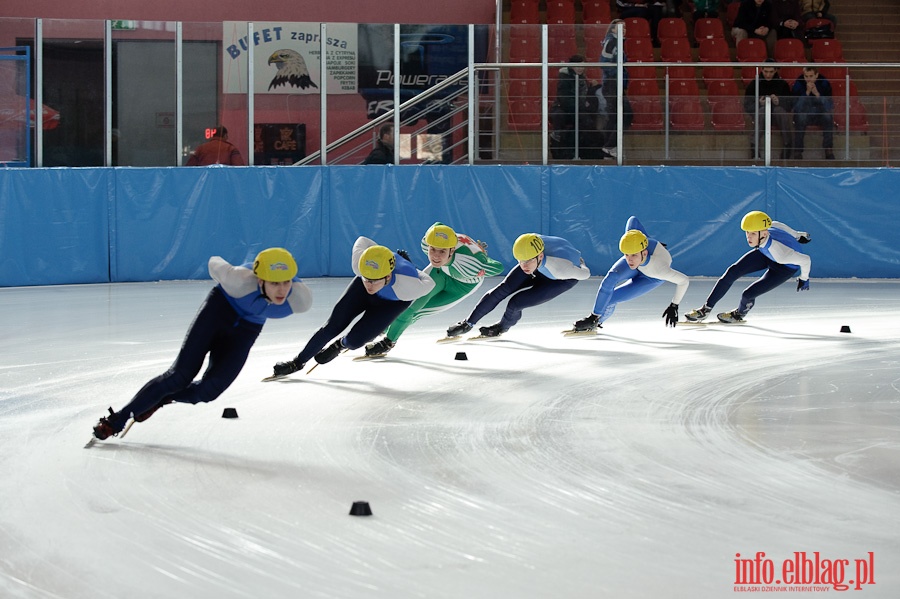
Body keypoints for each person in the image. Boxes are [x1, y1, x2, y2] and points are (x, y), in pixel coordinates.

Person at [91, 248, 312, 441]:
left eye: (287, 281)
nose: (282, 290)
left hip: (247, 330)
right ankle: (117, 420)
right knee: (180, 376)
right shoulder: (238, 280)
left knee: (208, 391)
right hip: (218, 310)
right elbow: (213, 261)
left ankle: (161, 399)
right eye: (274, 283)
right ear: (260, 280)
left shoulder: (300, 299)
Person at [272, 237, 434, 375]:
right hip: (361, 291)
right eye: (366, 278)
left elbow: (429, 282)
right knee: (331, 326)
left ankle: (340, 345)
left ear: (388, 275)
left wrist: (412, 267)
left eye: (374, 280)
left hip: (392, 302)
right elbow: (363, 240)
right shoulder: (359, 264)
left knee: (356, 340)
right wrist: (379, 254)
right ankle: (297, 362)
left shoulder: (409, 286)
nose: (369, 285)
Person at [364, 223, 504, 356]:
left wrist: (483, 261)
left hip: (461, 286)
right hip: (439, 273)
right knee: (410, 306)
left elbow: (498, 267)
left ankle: (388, 340)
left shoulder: (470, 263)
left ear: (452, 250)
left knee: (419, 312)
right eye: (433, 250)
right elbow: (437, 225)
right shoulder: (427, 241)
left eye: (442, 251)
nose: (436, 256)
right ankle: (387, 332)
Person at [446, 233, 591, 338]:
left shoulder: (561, 268)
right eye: (520, 261)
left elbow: (586, 274)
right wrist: (469, 323)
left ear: (540, 256)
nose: (523, 266)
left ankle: (501, 327)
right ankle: (467, 324)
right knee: (502, 289)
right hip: (540, 266)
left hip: (559, 279)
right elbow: (526, 261)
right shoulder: (528, 249)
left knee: (516, 303)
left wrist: (581, 264)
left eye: (527, 261)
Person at [684, 210, 811, 324]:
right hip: (765, 254)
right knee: (732, 272)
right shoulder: (769, 227)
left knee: (748, 294)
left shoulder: (781, 254)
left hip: (783, 268)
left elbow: (806, 260)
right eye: (747, 233)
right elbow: (777, 224)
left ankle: (739, 314)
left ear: (764, 234)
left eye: (753, 234)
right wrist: (797, 234)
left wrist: (804, 278)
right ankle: (706, 309)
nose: (749, 237)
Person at [570, 216, 690, 332]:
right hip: (641, 263)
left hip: (650, 277)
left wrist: (674, 305)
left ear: (644, 253)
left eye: (633, 255)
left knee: (611, 299)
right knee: (611, 278)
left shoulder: (660, 269)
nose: (629, 260)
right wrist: (643, 240)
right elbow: (633, 220)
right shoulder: (634, 242)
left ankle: (597, 322)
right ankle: (593, 317)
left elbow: (684, 281)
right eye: (626, 254)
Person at [595, 20, 633, 160]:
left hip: (616, 83)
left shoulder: (619, 43)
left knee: (615, 116)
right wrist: (616, 74)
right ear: (612, 29)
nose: (623, 29)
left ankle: (609, 148)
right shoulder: (611, 42)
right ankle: (610, 146)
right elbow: (604, 62)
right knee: (625, 115)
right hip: (612, 84)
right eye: (620, 27)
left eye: (625, 27)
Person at [550, 55, 597, 160]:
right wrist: (582, 106)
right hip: (564, 109)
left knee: (586, 123)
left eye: (582, 66)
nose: (580, 68)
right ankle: (565, 152)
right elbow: (565, 99)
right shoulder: (565, 78)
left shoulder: (582, 79)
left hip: (576, 109)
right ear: (572, 66)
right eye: (577, 66)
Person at [744, 61, 794, 159]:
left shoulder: (782, 84)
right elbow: (747, 105)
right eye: (766, 71)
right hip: (761, 115)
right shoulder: (754, 84)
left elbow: (789, 105)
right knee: (762, 111)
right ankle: (754, 148)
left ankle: (787, 145)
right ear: (762, 70)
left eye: (771, 72)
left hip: (777, 116)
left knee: (780, 112)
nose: (768, 75)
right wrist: (758, 103)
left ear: (775, 70)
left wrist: (779, 102)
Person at [791, 66, 834, 160]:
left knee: (828, 117)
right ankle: (798, 151)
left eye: (811, 76)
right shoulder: (799, 83)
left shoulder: (824, 83)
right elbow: (796, 108)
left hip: (819, 113)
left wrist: (817, 94)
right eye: (806, 76)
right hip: (804, 113)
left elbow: (829, 106)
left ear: (816, 75)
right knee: (800, 117)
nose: (808, 79)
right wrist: (806, 93)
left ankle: (828, 149)